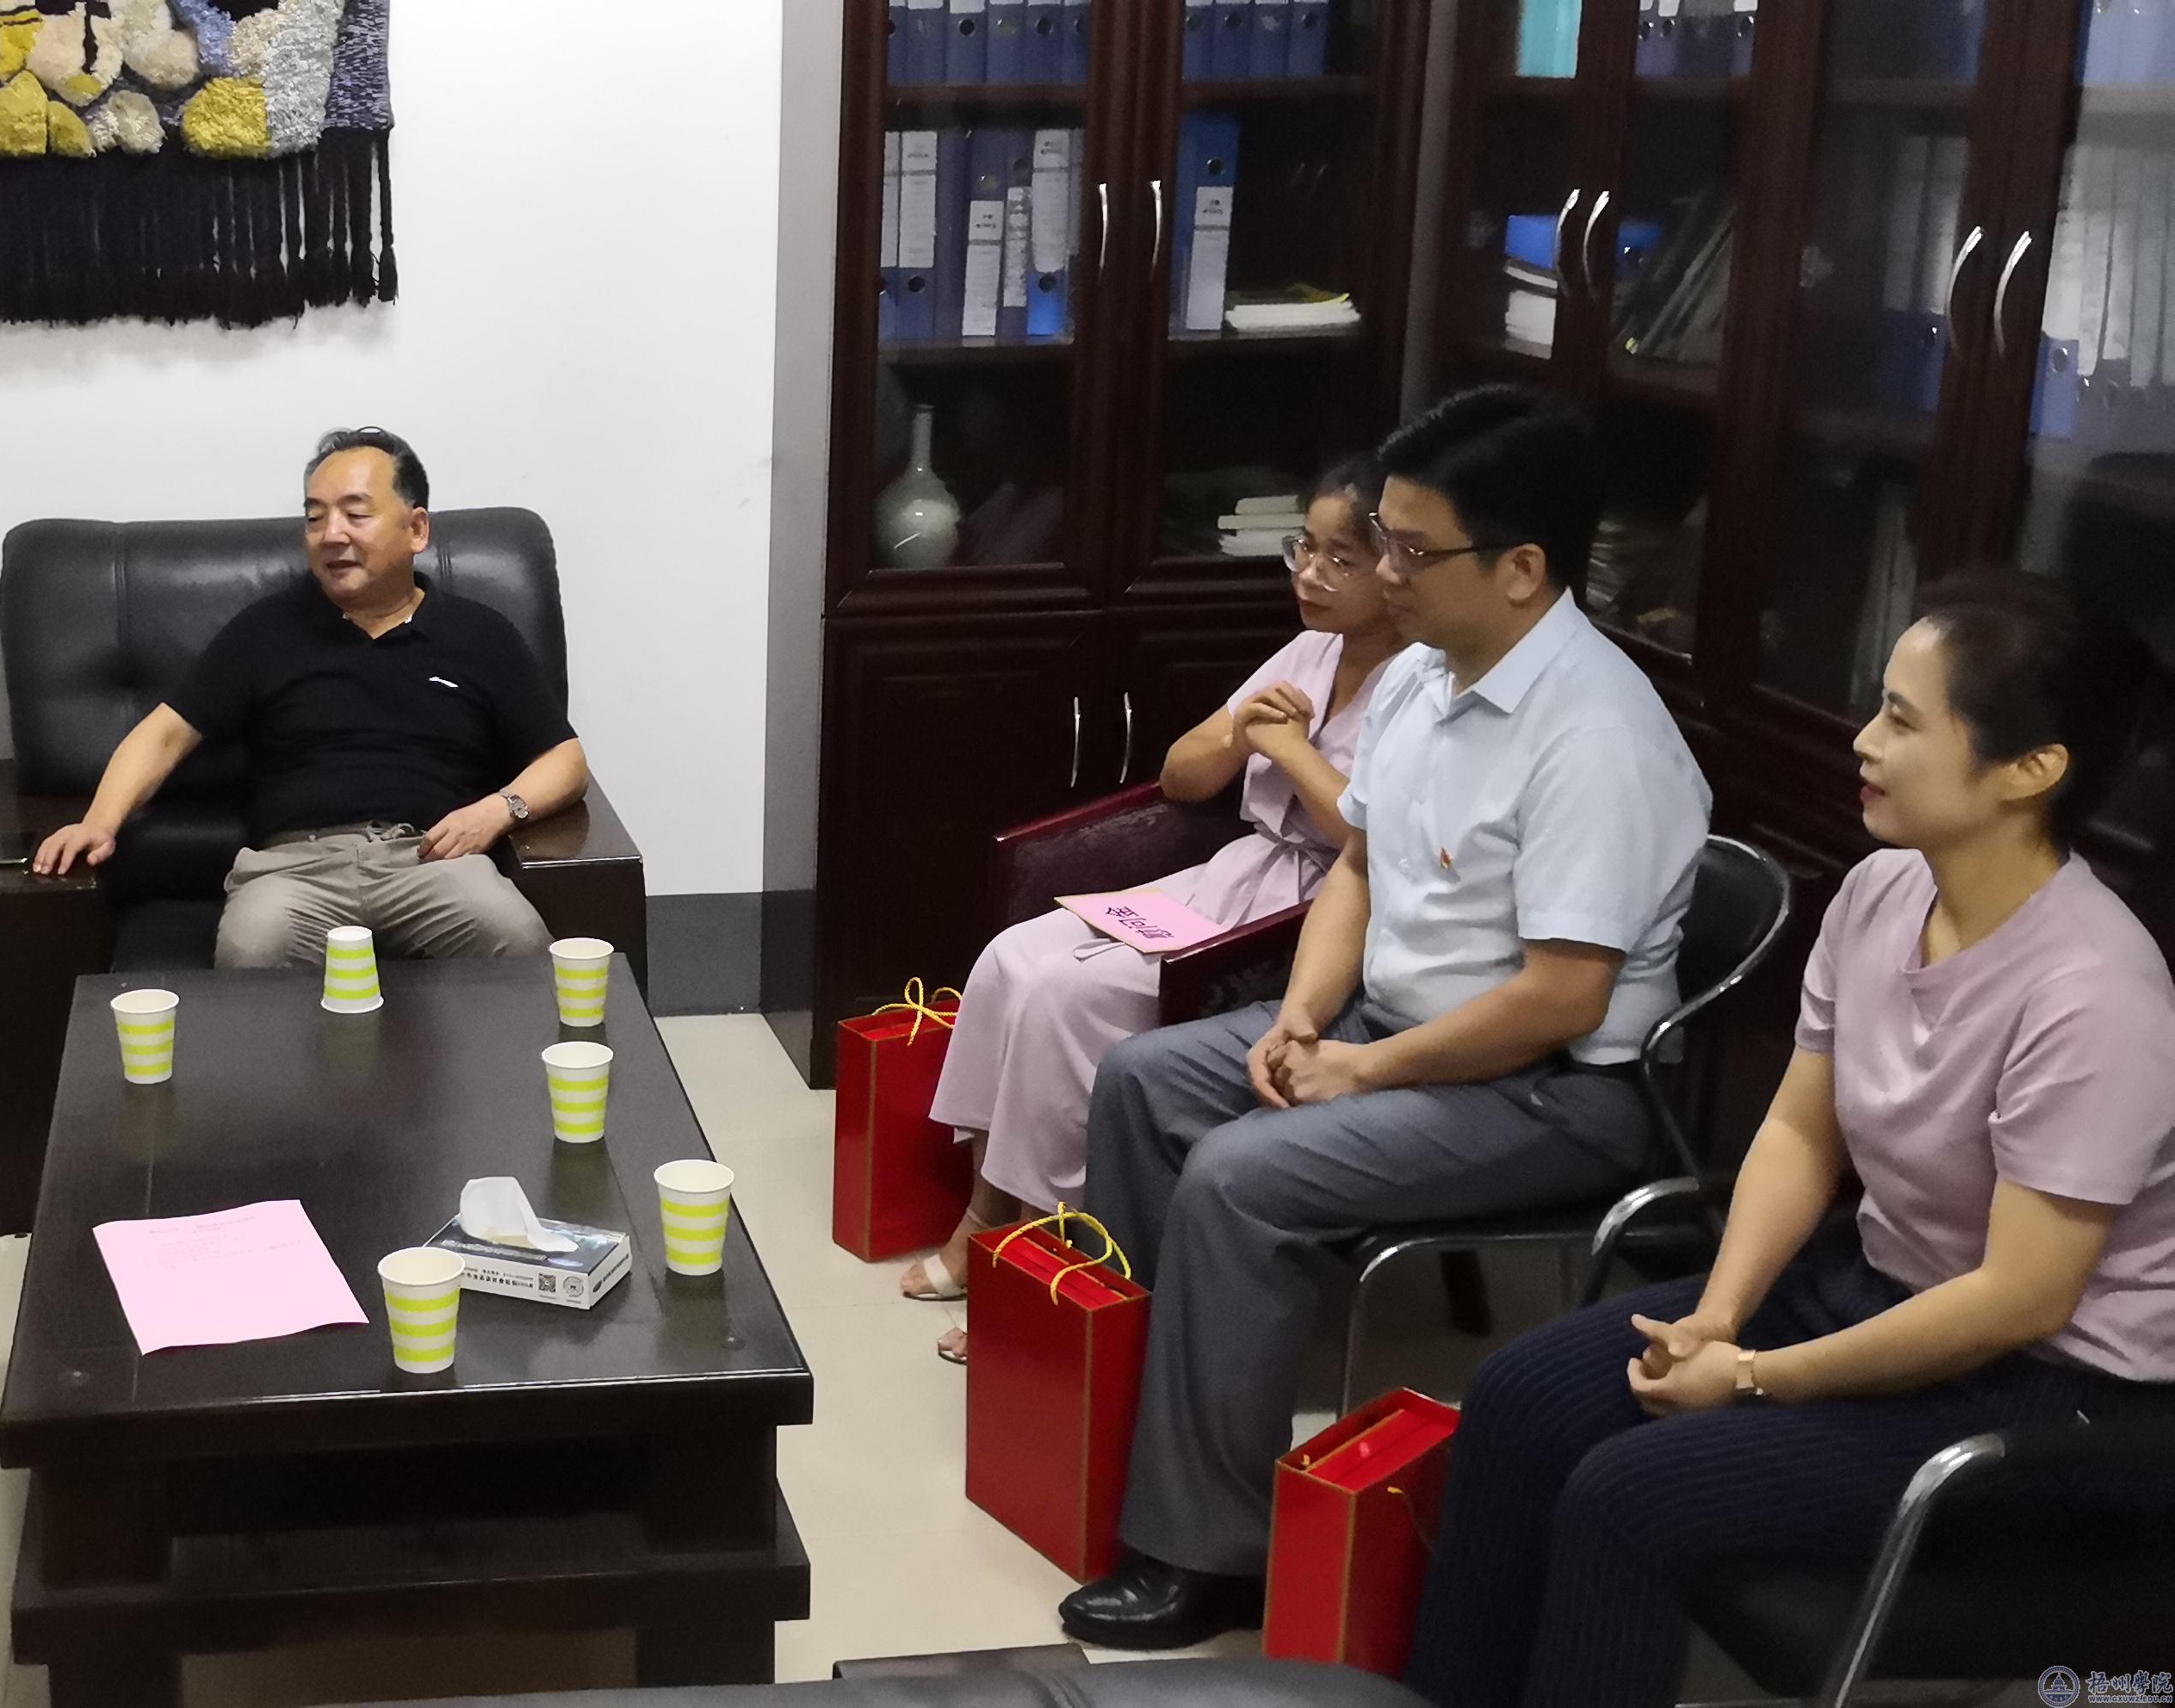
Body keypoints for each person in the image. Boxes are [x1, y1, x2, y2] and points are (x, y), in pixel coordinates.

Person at [1404, 574, 2175, 1708]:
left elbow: (2020, 1298)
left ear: (2029, 770)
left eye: (1902, 721)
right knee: (1520, 1398)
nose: (1863, 740)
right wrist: (1717, 1317)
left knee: (1630, 1496)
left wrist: (1755, 1379)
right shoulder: (1880, 891)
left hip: (2046, 1394)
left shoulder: (2095, 996)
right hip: (1878, 1287)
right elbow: (1799, 1131)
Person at [1057, 386, 1713, 1648]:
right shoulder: (1424, 675)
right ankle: (1134, 1449)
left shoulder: (1597, 736)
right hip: (1394, 1028)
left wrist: (1361, 1072)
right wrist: (1305, 1018)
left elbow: (1562, 998)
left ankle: (1206, 1550)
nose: (1386, 574)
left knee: (1240, 1178)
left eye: (1412, 551)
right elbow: (1357, 864)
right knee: (1140, 1081)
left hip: (1550, 1089)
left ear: (1521, 568)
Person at [910, 460, 1408, 1364]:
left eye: (1340, 559)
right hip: (1235, 873)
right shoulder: (1310, 651)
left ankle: (1052, 1264)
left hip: (1311, 910)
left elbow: (1365, 840)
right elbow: (1182, 774)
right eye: (1304, 549)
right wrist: (1239, 732)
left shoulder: (1419, 681)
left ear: (1397, 565)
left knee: (1065, 1000)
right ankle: (985, 1215)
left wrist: (1289, 749)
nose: (1309, 574)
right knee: (1011, 959)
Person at [28, 427, 592, 968]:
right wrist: (98, 822)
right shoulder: (265, 631)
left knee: (516, 940)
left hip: (433, 859)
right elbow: (166, 733)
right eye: (315, 517)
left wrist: (499, 809)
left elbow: (565, 759)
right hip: (293, 869)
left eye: (355, 514)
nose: (331, 534)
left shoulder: (480, 634)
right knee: (252, 951)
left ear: (416, 529)